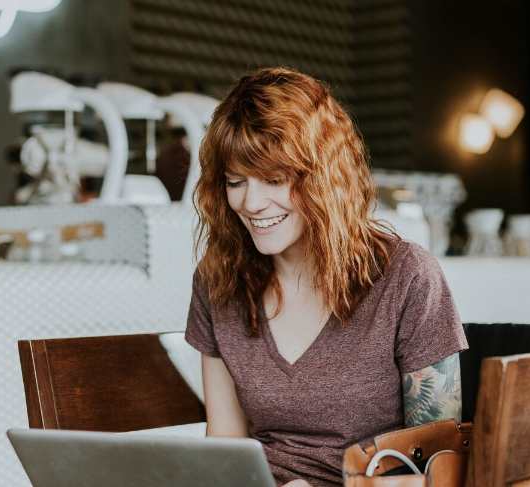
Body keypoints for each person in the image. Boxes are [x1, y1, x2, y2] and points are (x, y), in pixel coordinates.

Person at [185, 67, 468, 487]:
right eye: (235, 181)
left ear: (323, 177)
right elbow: (225, 449)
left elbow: (441, 468)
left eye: (275, 180)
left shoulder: (407, 277)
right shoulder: (218, 282)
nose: (251, 203)